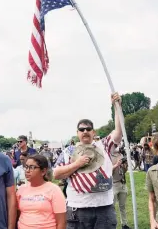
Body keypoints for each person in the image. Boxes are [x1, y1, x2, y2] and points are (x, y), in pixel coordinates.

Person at [53, 92, 123, 229]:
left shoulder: (104, 145)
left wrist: (117, 107)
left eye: (88, 129)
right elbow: (56, 174)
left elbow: (118, 132)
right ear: (77, 133)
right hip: (78, 210)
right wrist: (77, 164)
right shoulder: (68, 151)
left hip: (104, 208)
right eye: (81, 129)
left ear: (93, 132)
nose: (85, 131)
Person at [16, 154, 66, 229]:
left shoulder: (54, 190)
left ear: (43, 171)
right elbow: (18, 214)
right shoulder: (21, 190)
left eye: (32, 167)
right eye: (26, 167)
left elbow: (61, 223)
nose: (27, 170)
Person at [111, 148, 131, 229]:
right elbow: (108, 172)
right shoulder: (109, 157)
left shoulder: (122, 155)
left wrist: (125, 166)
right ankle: (113, 225)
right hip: (114, 184)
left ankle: (124, 224)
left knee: (122, 206)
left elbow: (124, 171)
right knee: (112, 208)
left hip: (122, 184)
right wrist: (116, 165)